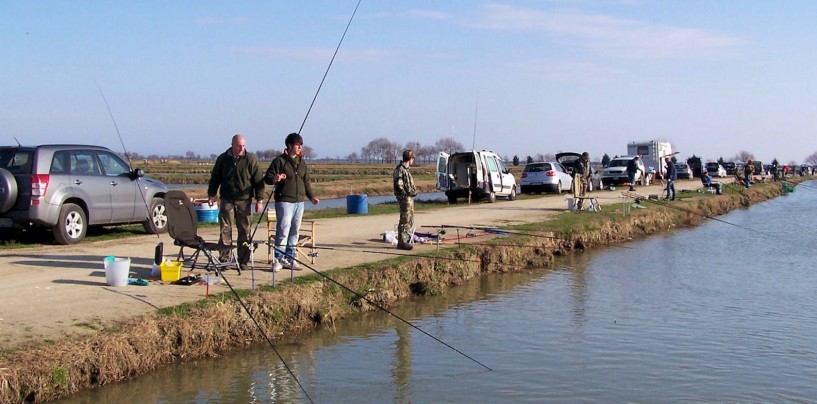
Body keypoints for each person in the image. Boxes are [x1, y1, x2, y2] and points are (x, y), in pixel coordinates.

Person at [207, 134, 267, 271]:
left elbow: (258, 181)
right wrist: (212, 194)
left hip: (244, 200)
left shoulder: (250, 159)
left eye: (244, 145)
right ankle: (225, 259)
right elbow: (215, 178)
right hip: (227, 199)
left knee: (245, 230)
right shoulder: (223, 159)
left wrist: (259, 200)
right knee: (225, 229)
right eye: (239, 145)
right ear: (232, 145)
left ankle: (243, 260)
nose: (242, 148)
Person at [264, 133, 320, 272]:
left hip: (299, 202)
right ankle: (278, 259)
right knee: (283, 229)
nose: (300, 147)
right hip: (284, 201)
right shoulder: (279, 161)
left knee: (294, 231)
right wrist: (275, 178)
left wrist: (311, 197)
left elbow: (306, 181)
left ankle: (291, 258)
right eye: (297, 145)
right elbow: (268, 177)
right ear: (289, 145)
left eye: (301, 145)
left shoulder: (302, 163)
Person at [393, 149, 417, 250]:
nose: (413, 161)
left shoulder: (406, 169)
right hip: (405, 198)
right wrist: (404, 195)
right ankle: (402, 242)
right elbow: (399, 184)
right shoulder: (400, 169)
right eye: (412, 158)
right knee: (405, 220)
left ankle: (405, 240)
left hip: (409, 197)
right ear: (410, 158)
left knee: (409, 219)